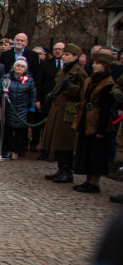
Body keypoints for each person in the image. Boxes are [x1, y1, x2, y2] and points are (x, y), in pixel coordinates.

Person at [41, 44, 87, 183]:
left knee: (65, 141)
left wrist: (71, 88)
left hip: (68, 109)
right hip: (58, 107)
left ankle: (67, 171)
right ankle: (61, 169)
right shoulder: (64, 70)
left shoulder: (78, 72)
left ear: (75, 57)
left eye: (67, 54)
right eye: (64, 54)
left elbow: (83, 92)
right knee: (57, 140)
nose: (64, 56)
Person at [72, 51, 118, 194]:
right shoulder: (90, 80)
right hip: (86, 119)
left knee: (97, 152)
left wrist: (101, 129)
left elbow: (106, 108)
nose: (94, 65)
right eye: (94, 63)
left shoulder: (108, 83)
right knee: (86, 149)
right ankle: (88, 180)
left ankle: (94, 182)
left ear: (105, 66)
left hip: (98, 120)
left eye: (98, 63)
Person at [0, 60, 38, 159]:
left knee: (20, 131)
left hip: (22, 108)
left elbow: (33, 95)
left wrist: (32, 108)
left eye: (22, 66)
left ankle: (17, 150)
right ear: (14, 67)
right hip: (8, 107)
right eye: (18, 66)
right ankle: (7, 150)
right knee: (8, 131)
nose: (19, 68)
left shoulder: (29, 80)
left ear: (25, 69)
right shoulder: (6, 77)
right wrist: (0, 101)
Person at [35, 42, 66, 159]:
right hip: (46, 99)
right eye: (56, 49)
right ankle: (44, 150)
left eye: (60, 49)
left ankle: (57, 153)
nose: (58, 51)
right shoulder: (45, 64)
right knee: (44, 127)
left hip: (61, 101)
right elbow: (39, 82)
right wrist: (38, 99)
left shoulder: (67, 66)